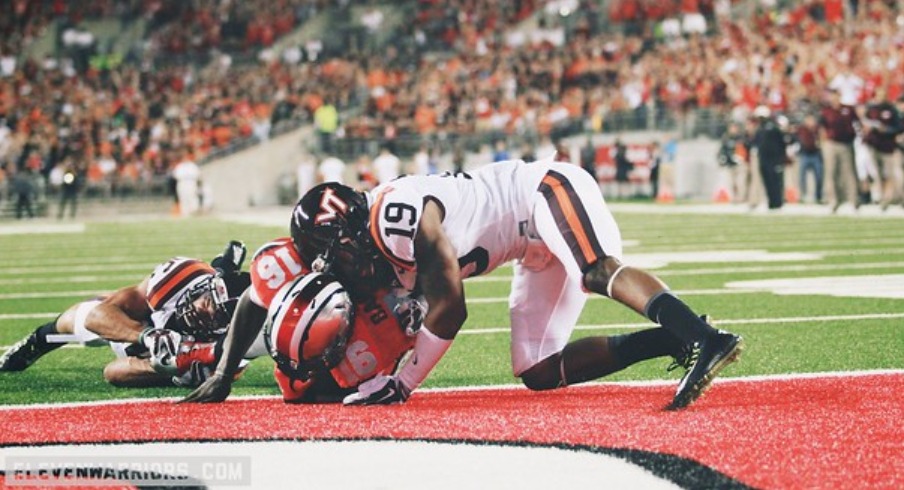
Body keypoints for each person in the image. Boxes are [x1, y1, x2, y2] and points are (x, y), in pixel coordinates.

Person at [290, 161, 745, 411]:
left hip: (543, 192)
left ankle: (706, 339)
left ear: (349, 230)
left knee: (596, 269)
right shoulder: (375, 253)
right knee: (539, 370)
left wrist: (404, 382)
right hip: (527, 248)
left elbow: (450, 307)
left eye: (336, 253)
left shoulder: (393, 216)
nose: (338, 267)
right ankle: (675, 338)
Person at [180, 215, 423, 404]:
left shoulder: (381, 325)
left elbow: (442, 306)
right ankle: (203, 349)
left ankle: (198, 352)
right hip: (316, 294)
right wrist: (223, 372)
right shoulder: (293, 264)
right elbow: (252, 298)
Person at [0, 241, 254, 388]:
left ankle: (225, 265)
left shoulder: (229, 347)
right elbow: (100, 314)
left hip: (164, 356)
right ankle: (35, 342)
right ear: (204, 286)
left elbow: (113, 372)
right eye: (208, 300)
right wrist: (147, 334)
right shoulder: (183, 278)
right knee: (77, 319)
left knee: (143, 363)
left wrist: (164, 367)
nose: (203, 310)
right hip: (145, 322)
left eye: (217, 316)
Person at [861, 88, 903, 210]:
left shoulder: (891, 110)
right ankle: (882, 197)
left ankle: (893, 197)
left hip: (888, 147)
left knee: (890, 173)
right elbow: (865, 123)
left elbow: (898, 127)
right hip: (874, 145)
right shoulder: (872, 109)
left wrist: (886, 130)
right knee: (877, 173)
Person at [820, 88, 860, 212]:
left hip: (846, 143)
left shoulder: (848, 109)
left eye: (836, 96)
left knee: (849, 172)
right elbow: (822, 127)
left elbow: (857, 123)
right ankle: (833, 200)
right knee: (831, 173)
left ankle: (853, 200)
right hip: (832, 144)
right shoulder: (826, 111)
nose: (834, 98)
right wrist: (824, 142)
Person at [752, 106, 787, 210]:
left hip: (773, 160)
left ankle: (777, 202)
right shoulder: (760, 129)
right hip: (764, 160)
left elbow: (781, 144)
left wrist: (780, 158)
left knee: (775, 181)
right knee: (768, 182)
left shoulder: (773, 128)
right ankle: (772, 202)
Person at [796, 115, 824, 204]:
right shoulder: (802, 129)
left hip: (816, 155)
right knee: (802, 177)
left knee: (819, 176)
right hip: (805, 154)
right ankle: (802, 195)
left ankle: (818, 196)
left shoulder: (817, 129)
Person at [172, 151, 201, 217]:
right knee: (183, 198)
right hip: (182, 183)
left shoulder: (192, 166)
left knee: (192, 196)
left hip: (191, 182)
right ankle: (185, 213)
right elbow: (176, 176)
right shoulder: (179, 166)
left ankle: (194, 211)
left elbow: (197, 175)